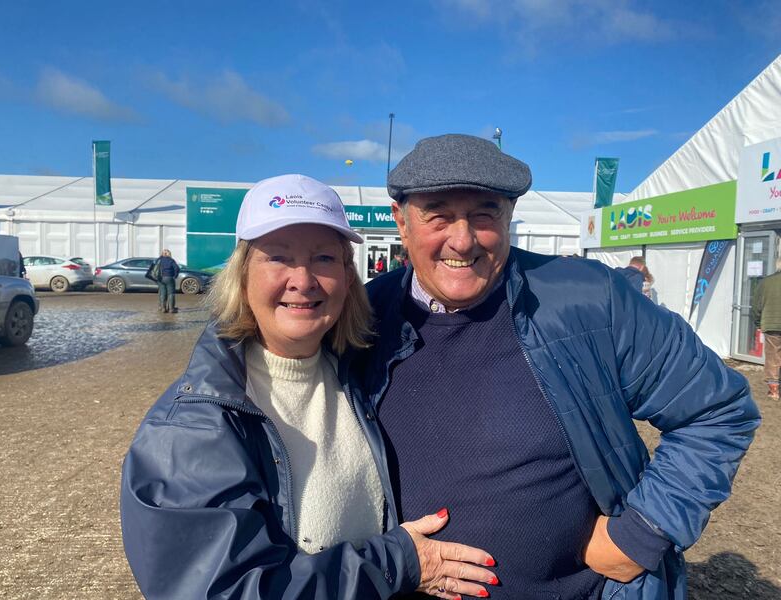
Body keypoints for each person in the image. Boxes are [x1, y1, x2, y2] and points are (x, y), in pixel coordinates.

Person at [356, 134, 760, 599]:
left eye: (485, 213)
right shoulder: (364, 317)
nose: (462, 239)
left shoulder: (586, 299)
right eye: (439, 215)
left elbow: (717, 409)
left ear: (509, 217)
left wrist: (641, 532)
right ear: (401, 223)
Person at [120, 174, 497, 600]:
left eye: (323, 259)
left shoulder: (363, 374)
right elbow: (227, 591)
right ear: (242, 276)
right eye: (278, 258)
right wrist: (400, 563)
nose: (303, 280)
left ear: (347, 278)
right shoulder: (190, 428)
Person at [752, 260, 781, 399]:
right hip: (771, 324)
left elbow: (756, 306)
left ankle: (774, 391)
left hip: (771, 325)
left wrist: (758, 323)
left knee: (772, 356)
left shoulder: (765, 282)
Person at [152, 249, 180, 313]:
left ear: (162, 254)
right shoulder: (171, 260)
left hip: (160, 278)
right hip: (169, 278)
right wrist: (175, 276)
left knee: (162, 293)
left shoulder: (158, 260)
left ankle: (163, 308)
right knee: (171, 293)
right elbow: (177, 268)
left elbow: (153, 269)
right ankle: (171, 309)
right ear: (169, 254)